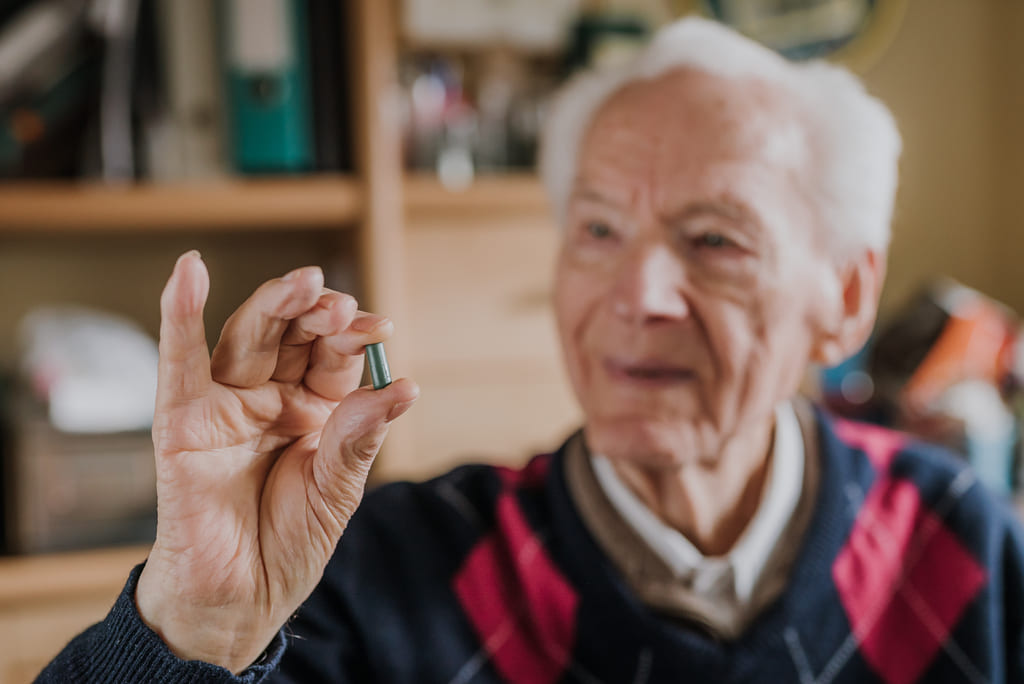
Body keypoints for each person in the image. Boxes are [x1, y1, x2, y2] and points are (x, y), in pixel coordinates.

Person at [39, 17, 1024, 684]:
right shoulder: (383, 569)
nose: (636, 295)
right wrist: (198, 625)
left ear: (844, 298)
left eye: (714, 240)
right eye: (597, 232)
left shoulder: (963, 543)